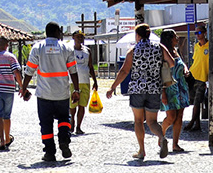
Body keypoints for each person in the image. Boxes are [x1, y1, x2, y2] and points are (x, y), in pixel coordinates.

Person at [106, 23, 175, 161]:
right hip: (155, 88)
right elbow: (172, 63)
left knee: (138, 121)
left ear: (137, 35)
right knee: (152, 121)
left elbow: (124, 70)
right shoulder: (159, 47)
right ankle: (162, 138)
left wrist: (112, 87)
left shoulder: (133, 50)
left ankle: (142, 151)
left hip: (137, 89)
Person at [20, 22, 80, 162]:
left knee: (46, 123)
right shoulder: (66, 48)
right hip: (62, 94)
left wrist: (24, 88)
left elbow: (29, 71)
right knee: (64, 119)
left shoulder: (37, 48)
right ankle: (64, 140)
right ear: (58, 32)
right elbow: (73, 71)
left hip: (44, 94)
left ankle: (49, 152)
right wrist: (76, 90)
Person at [160, 29, 190, 152]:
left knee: (179, 116)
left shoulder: (176, 51)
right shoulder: (162, 53)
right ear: (169, 39)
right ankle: (161, 135)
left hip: (181, 86)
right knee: (171, 117)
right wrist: (162, 93)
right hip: (169, 88)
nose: (177, 38)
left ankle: (175, 144)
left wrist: (186, 69)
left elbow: (182, 64)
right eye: (175, 36)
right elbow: (160, 73)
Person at [68, 30, 99, 135]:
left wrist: (95, 81)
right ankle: (71, 122)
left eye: (82, 37)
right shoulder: (69, 50)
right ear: (73, 37)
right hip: (72, 82)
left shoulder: (87, 51)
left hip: (85, 81)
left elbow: (90, 66)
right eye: (78, 37)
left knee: (82, 105)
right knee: (72, 105)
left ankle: (78, 127)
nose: (80, 39)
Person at [184, 23, 209, 132]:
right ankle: (197, 124)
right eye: (196, 33)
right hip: (193, 75)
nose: (198, 35)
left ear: (204, 33)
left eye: (199, 33)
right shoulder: (196, 46)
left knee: (197, 101)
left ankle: (192, 122)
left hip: (203, 77)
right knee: (194, 101)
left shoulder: (210, 46)